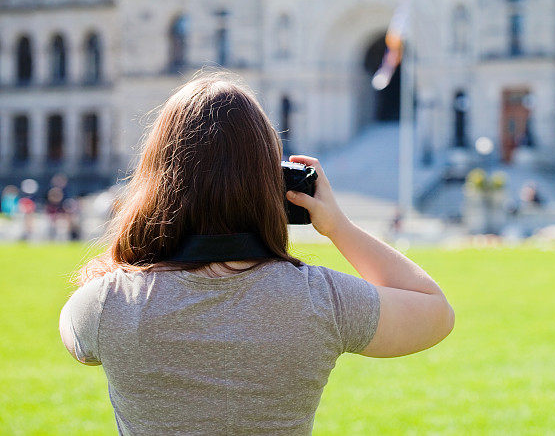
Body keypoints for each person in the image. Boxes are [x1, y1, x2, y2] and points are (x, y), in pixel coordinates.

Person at [59, 72, 455, 435]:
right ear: (273, 182)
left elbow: (80, 339)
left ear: (157, 179)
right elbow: (435, 312)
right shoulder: (320, 299)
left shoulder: (105, 304)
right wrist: (339, 227)